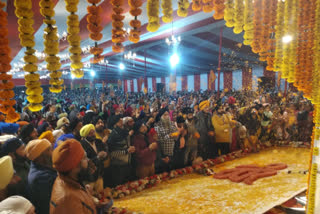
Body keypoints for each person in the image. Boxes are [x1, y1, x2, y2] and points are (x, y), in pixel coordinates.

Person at [50, 139, 97, 214]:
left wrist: (87, 195)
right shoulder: (68, 200)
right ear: (74, 166)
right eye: (84, 158)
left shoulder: (68, 181)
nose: (88, 160)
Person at [25, 139, 57, 214]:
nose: (53, 152)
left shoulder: (42, 168)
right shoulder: (41, 178)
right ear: (40, 156)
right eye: (49, 150)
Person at [108, 115, 135, 187]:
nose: (122, 122)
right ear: (115, 124)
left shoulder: (125, 132)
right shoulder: (112, 136)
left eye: (121, 121)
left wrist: (130, 149)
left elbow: (126, 146)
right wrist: (126, 151)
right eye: (119, 122)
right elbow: (111, 153)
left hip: (127, 164)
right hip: (118, 167)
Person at [80, 124, 107, 193]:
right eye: (90, 133)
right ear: (85, 135)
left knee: (101, 195)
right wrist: (97, 157)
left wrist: (105, 154)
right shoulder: (81, 145)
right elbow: (85, 161)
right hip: (89, 178)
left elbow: (105, 150)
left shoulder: (98, 141)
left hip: (100, 174)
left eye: (93, 132)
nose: (93, 134)